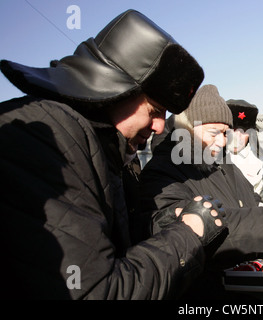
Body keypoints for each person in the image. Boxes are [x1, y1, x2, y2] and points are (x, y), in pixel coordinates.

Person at [0, 9, 227, 300]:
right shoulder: (48, 137)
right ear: (113, 89)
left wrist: (164, 223)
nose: (160, 127)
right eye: (154, 110)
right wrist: (188, 233)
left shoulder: (102, 150)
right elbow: (97, 290)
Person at [140, 84, 263, 298]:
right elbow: (172, 227)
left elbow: (253, 202)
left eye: (225, 133)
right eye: (213, 133)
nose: (222, 141)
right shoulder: (162, 172)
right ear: (186, 130)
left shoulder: (226, 167)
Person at [226, 99, 263, 204]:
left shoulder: (262, 165)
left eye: (244, 131)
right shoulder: (208, 158)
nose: (237, 137)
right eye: (233, 130)